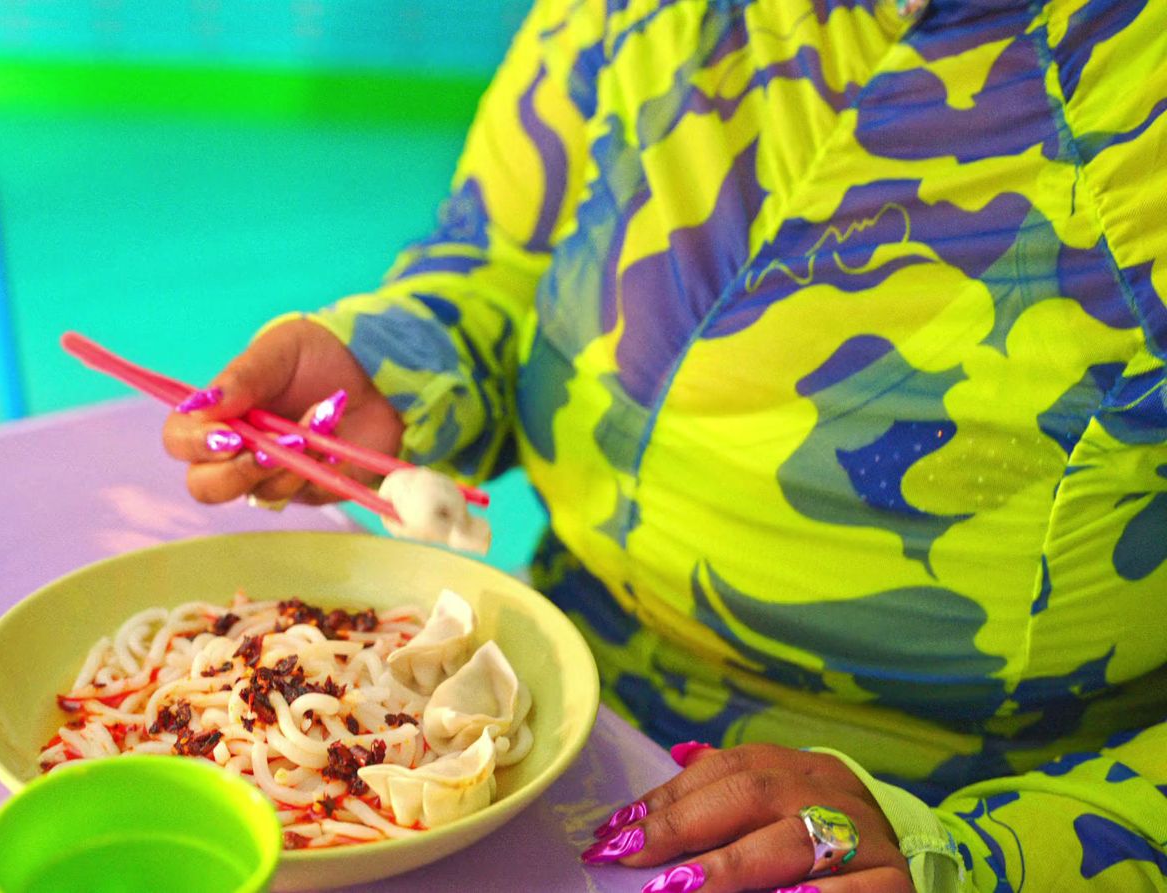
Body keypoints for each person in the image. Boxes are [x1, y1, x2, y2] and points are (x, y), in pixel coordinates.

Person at [162, 0, 1167, 890]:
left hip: (966, 795)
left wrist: (984, 854)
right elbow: (506, 261)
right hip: (526, 711)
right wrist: (394, 370)